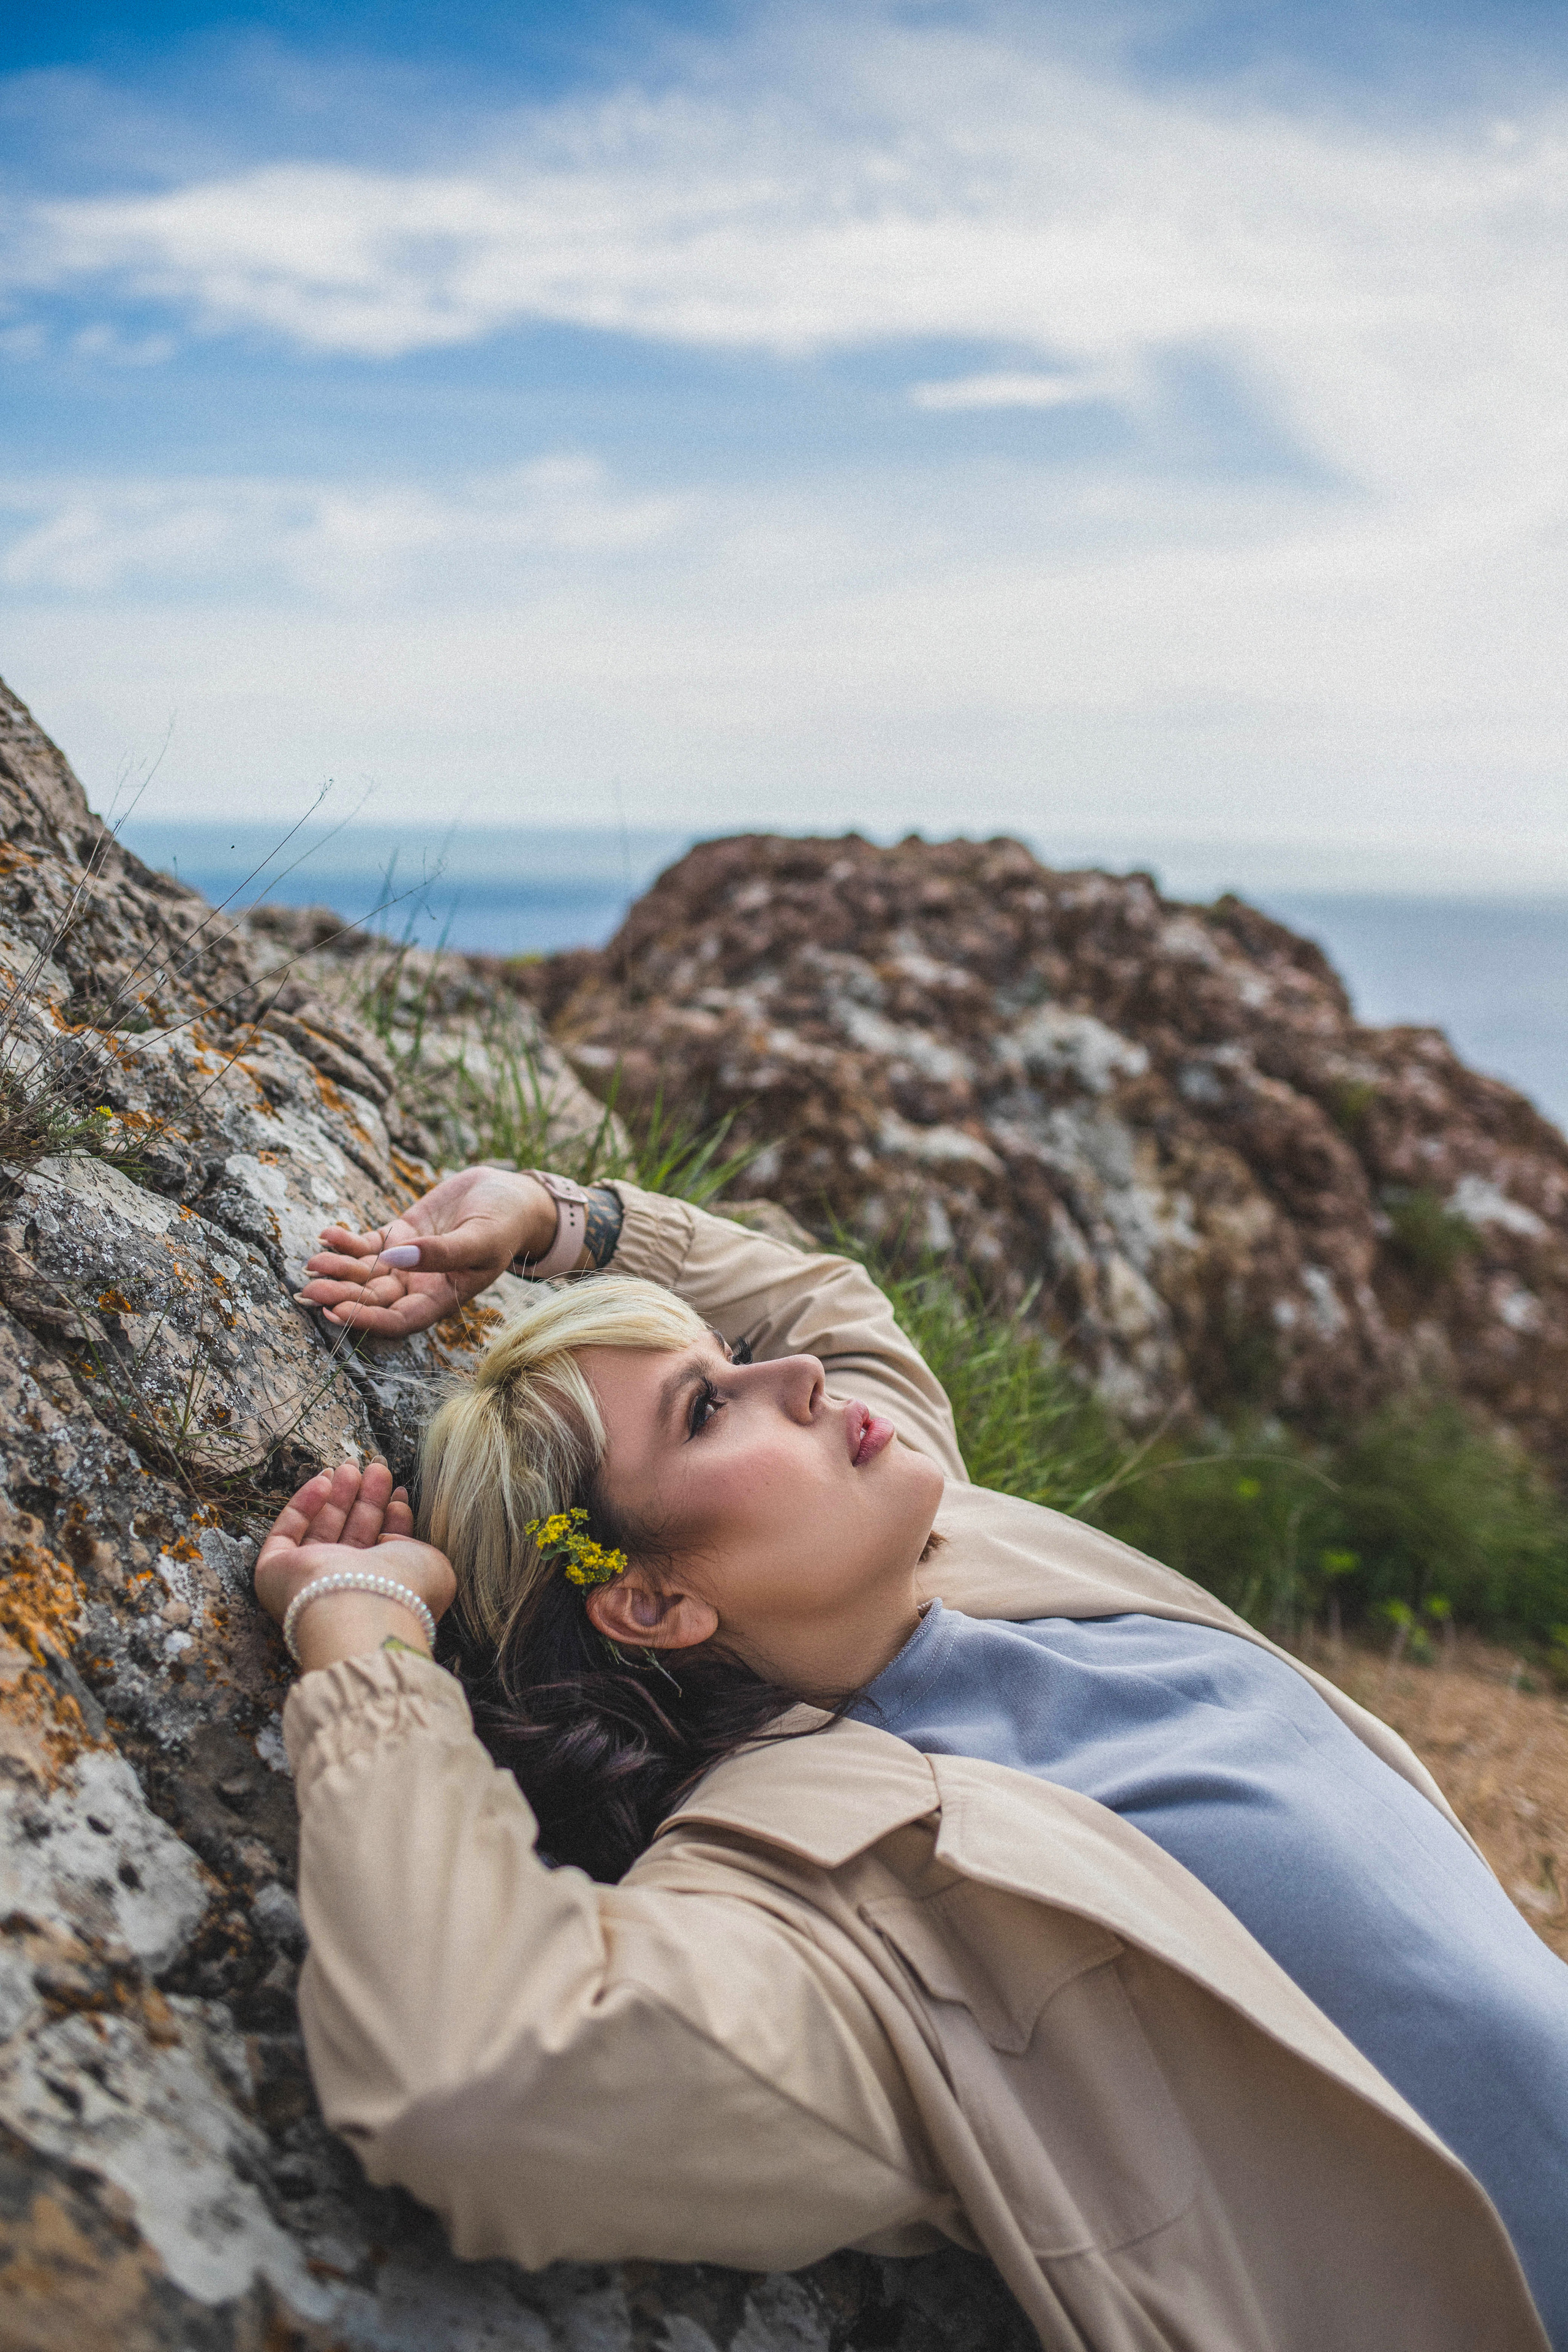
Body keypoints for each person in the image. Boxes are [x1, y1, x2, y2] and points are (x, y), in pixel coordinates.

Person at [258, 1165, 1568, 2352]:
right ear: (652, 1604)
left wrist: (560, 1222)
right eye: (711, 1408)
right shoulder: (833, 1891)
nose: (802, 1382)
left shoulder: (954, 1542)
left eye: (745, 1359)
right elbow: (478, 2086)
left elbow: (828, 1301)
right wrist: (369, 1637)